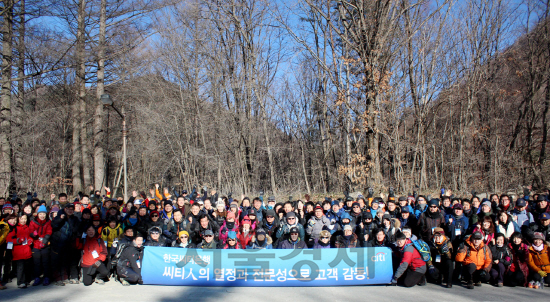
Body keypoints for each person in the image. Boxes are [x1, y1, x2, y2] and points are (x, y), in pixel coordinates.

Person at [50, 203, 80, 286]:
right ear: (65, 209)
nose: (70, 210)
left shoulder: (74, 219)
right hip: (57, 241)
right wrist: (60, 219)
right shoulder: (59, 216)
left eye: (72, 209)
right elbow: (54, 225)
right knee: (57, 261)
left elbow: (76, 229)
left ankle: (65, 277)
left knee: (65, 261)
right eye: (68, 209)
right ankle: (58, 278)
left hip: (68, 242)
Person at [7, 215, 33, 288]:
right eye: (22, 219)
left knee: (27, 266)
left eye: (25, 219)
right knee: (20, 268)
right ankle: (20, 282)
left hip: (27, 250)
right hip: (18, 251)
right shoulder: (15, 228)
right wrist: (18, 240)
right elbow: (9, 239)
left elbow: (30, 236)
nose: (23, 220)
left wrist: (30, 240)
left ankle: (27, 280)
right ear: (18, 219)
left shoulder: (28, 227)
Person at [29, 205, 52, 286]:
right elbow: (30, 231)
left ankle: (46, 277)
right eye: (40, 214)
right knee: (37, 263)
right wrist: (33, 234)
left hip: (45, 244)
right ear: (37, 214)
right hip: (36, 245)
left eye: (44, 214)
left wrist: (44, 242)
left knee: (46, 262)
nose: (42, 216)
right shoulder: (33, 222)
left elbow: (49, 232)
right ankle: (37, 277)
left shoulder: (48, 222)